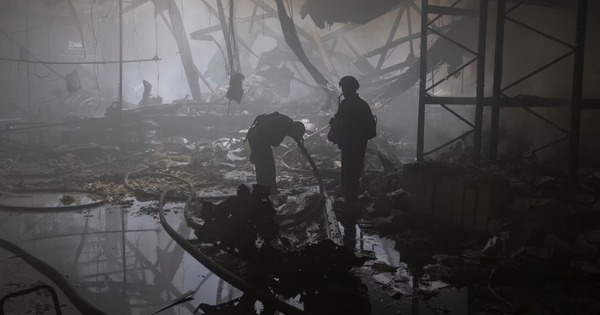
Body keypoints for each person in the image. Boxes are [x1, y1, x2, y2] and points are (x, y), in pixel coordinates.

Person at [328, 76, 376, 245]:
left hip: (349, 144)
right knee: (354, 173)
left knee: (348, 174)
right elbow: (371, 129)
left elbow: (340, 123)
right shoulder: (363, 104)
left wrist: (333, 130)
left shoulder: (347, 104)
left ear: (347, 88)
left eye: (343, 87)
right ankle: (351, 203)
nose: (342, 90)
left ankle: (350, 209)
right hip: (360, 144)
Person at [246, 112, 306, 195]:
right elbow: (275, 143)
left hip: (256, 137)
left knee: (263, 165)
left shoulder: (287, 122)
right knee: (267, 166)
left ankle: (265, 188)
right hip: (257, 139)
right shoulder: (283, 127)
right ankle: (267, 190)